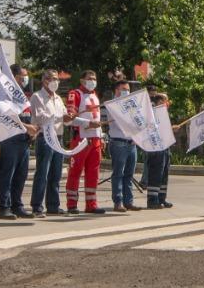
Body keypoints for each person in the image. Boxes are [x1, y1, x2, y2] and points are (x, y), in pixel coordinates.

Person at [0, 64, 38, 219]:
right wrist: (27, 127)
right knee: (8, 174)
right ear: (13, 77)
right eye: (22, 76)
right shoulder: (6, 94)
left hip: (24, 140)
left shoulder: (23, 95)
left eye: (26, 76)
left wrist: (33, 130)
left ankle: (17, 205)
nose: (25, 79)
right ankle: (4, 207)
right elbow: (6, 116)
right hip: (10, 139)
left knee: (21, 175)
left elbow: (27, 115)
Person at [30, 69, 74, 218]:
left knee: (56, 174)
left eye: (57, 79)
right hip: (45, 138)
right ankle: (37, 206)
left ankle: (53, 205)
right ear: (45, 80)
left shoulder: (58, 98)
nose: (56, 81)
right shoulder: (37, 97)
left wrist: (68, 118)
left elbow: (63, 118)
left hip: (58, 138)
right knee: (42, 173)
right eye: (52, 78)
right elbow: (42, 118)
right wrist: (61, 116)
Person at [66, 70, 107, 215]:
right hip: (81, 139)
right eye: (89, 78)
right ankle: (71, 204)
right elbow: (69, 118)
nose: (92, 81)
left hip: (95, 139)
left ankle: (91, 204)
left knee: (93, 173)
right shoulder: (75, 94)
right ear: (82, 80)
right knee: (75, 172)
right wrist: (87, 123)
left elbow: (97, 119)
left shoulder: (95, 95)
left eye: (94, 78)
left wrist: (101, 137)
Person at [105, 72, 142, 212]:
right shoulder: (112, 105)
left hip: (131, 143)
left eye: (128, 89)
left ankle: (129, 201)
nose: (127, 92)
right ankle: (118, 201)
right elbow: (122, 122)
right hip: (118, 142)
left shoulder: (131, 104)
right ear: (117, 91)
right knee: (118, 173)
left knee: (129, 174)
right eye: (124, 89)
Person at [145, 88, 174, 209]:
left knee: (164, 174)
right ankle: (152, 200)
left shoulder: (164, 114)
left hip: (165, 146)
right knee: (156, 173)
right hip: (156, 147)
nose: (166, 104)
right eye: (164, 101)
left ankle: (161, 198)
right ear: (158, 102)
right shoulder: (153, 113)